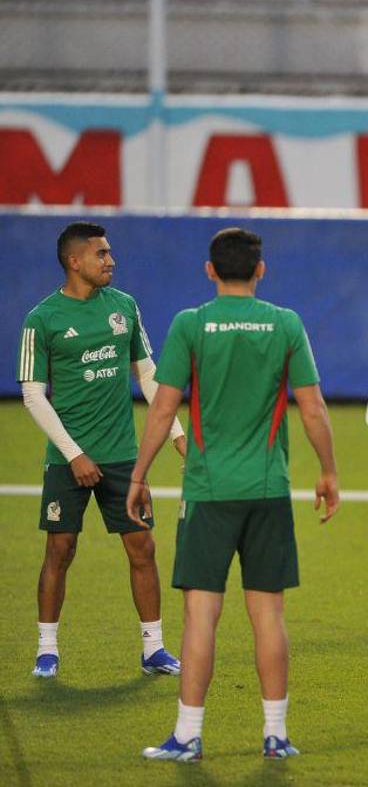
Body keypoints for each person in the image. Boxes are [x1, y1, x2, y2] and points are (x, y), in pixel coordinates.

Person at [131, 227, 340, 762]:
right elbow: (313, 408)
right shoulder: (285, 324)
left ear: (209, 270)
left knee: (201, 617)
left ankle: (188, 735)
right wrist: (328, 471)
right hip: (268, 492)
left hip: (208, 492)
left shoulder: (191, 325)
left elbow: (162, 409)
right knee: (268, 617)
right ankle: (275, 735)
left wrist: (138, 476)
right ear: (261, 269)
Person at [17, 221, 185, 679]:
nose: (111, 260)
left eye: (109, 253)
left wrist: (176, 433)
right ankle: (46, 649)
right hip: (67, 459)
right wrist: (73, 454)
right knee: (60, 548)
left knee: (142, 547)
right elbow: (34, 395)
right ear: (75, 261)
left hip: (122, 456)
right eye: (101, 254)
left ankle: (153, 648)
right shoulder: (42, 319)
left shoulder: (124, 307)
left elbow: (148, 375)